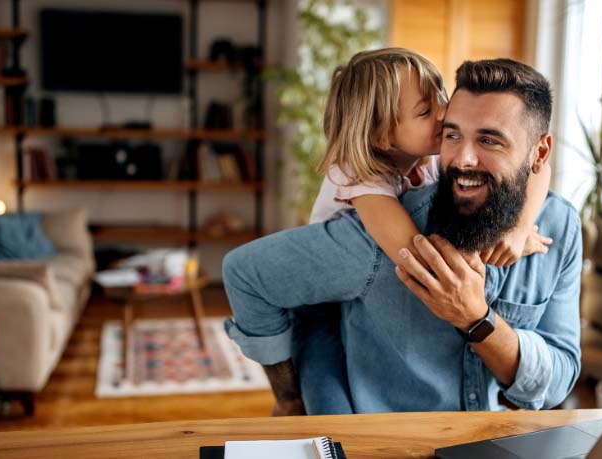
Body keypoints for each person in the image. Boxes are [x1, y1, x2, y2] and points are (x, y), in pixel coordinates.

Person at [223, 58, 582, 415]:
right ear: (382, 134)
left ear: (539, 150)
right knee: (325, 403)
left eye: (489, 140)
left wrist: (517, 230)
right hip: (333, 346)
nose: (461, 157)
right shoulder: (375, 208)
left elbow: (558, 381)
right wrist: (287, 396)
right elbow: (246, 274)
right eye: (452, 133)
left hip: (496, 442)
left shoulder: (558, 226)